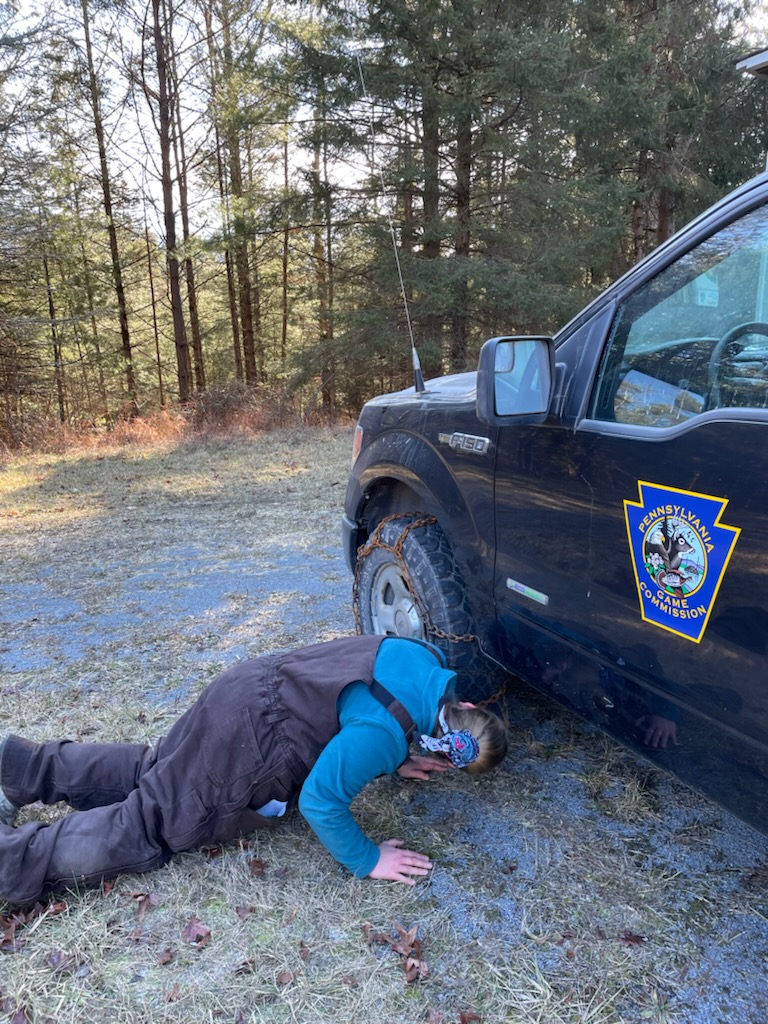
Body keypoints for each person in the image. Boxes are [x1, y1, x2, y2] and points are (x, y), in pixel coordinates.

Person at [0, 635, 508, 906]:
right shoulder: (380, 738)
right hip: (251, 746)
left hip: (246, 689)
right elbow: (320, 801)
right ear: (444, 752)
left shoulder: (424, 655)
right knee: (154, 819)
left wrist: (399, 753)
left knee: (154, 768)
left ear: (464, 703)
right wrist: (369, 858)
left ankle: (15, 765)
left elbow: (368, 697)